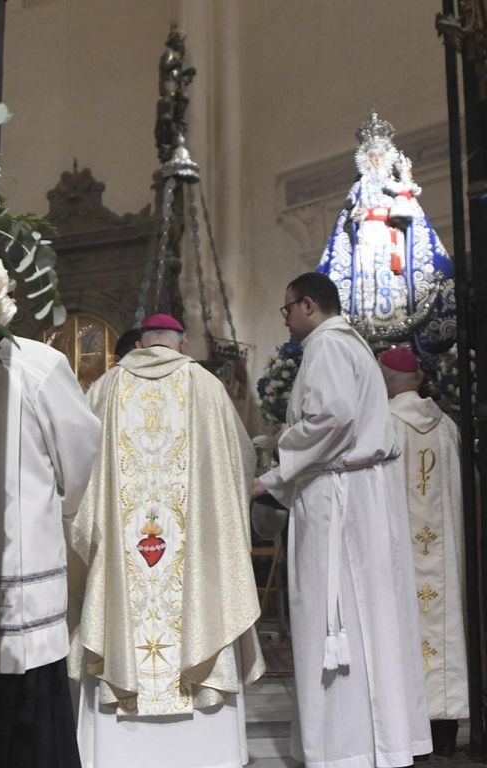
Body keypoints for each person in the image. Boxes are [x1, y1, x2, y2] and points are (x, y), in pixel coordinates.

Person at [68, 313, 264, 768]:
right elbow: (240, 462)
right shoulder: (207, 387)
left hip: (123, 555)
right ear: (181, 342)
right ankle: (206, 750)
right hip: (188, 556)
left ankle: (119, 751)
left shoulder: (106, 389)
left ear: (140, 341)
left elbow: (78, 472)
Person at [252, 272, 432, 768]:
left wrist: (275, 465)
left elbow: (330, 419)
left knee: (338, 614)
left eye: (287, 307)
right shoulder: (351, 345)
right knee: (369, 615)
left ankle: (345, 746)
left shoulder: (327, 346)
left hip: (339, 500)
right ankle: (378, 741)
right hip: (359, 492)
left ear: (308, 304)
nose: (285, 317)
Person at [0, 336, 101, 768]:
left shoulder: (37, 364)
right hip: (18, 572)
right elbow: (80, 452)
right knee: (31, 724)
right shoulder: (37, 364)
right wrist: (65, 508)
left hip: (13, 582)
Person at [379, 346, 469, 757]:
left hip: (398, 553)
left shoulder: (384, 424)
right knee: (444, 625)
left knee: (401, 625)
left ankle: (409, 734)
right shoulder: (447, 425)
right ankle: (446, 729)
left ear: (385, 382)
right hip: (445, 557)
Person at [317, 112, 455, 356]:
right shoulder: (359, 186)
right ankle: (366, 315)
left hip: (390, 237)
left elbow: (409, 203)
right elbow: (350, 210)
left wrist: (405, 180)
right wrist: (356, 217)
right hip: (365, 239)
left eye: (380, 156)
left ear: (387, 157)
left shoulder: (392, 184)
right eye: (372, 156)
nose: (377, 160)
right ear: (365, 159)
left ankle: (393, 315)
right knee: (366, 277)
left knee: (391, 280)